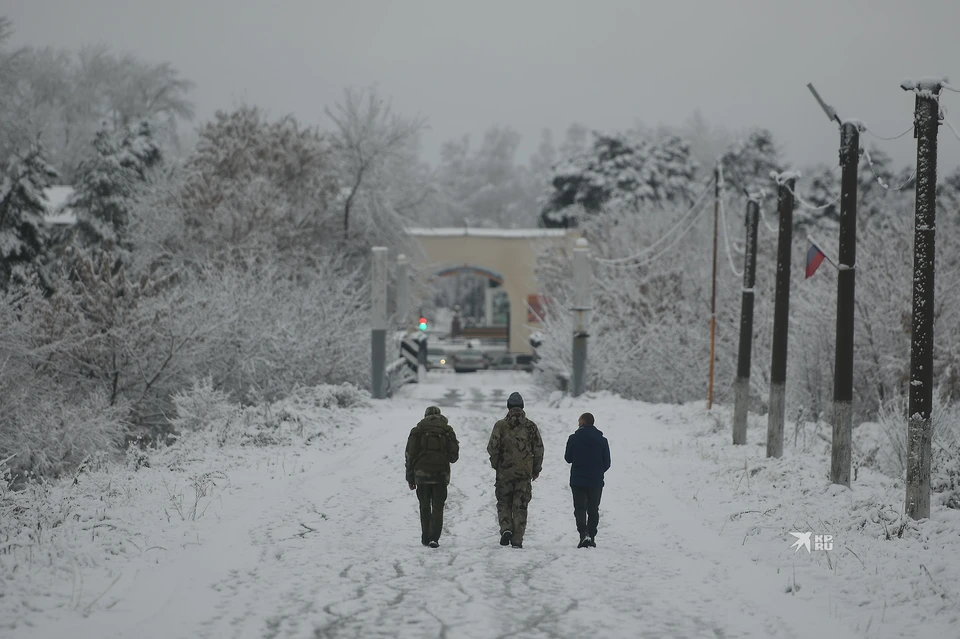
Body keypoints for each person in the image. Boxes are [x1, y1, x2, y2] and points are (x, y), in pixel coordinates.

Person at [487, 392, 544, 549]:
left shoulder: (500, 426)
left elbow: (492, 448)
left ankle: (506, 529)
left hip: (504, 472)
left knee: (504, 502)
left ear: (508, 407)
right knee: (521, 506)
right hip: (524, 474)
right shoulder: (530, 427)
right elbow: (538, 449)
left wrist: (496, 464)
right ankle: (517, 539)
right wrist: (536, 469)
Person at [406, 406, 460, 548]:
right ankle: (434, 538)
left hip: (421, 474)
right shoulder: (447, 430)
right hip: (440, 474)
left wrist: (410, 478)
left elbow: (410, 456)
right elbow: (454, 456)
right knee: (438, 507)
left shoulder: (417, 431)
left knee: (424, 506)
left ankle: (425, 537)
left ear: (425, 416)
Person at [564, 412, 611, 548]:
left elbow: (568, 458)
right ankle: (592, 536)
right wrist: (598, 472)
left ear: (583, 422)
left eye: (579, 422)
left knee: (580, 508)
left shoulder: (574, 438)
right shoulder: (602, 440)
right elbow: (607, 462)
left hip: (578, 480)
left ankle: (583, 534)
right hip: (596, 481)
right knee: (593, 509)